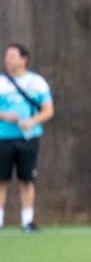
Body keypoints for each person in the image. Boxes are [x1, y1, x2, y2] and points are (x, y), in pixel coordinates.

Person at [0, 43, 54, 232]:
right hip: (3, 137)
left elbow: (48, 110)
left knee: (27, 179)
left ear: (24, 59)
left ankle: (27, 221)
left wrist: (32, 121)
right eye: (6, 56)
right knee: (1, 179)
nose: (8, 59)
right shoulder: (1, 82)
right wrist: (5, 116)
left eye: (12, 55)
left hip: (28, 138)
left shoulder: (37, 82)